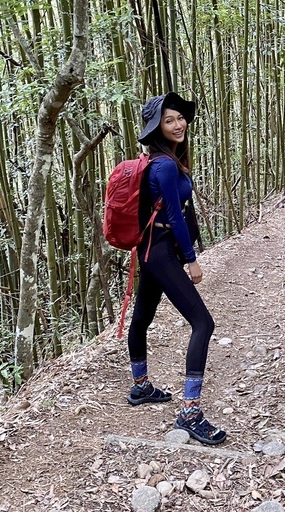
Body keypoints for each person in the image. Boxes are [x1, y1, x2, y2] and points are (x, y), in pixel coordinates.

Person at [125, 92, 227, 446]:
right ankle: (190, 412)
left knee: (142, 319)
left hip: (149, 252)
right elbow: (173, 215)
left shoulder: (159, 159)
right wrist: (191, 258)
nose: (178, 124)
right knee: (203, 323)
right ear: (157, 127)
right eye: (169, 120)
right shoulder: (165, 166)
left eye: (180, 118)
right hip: (163, 253)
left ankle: (140, 388)